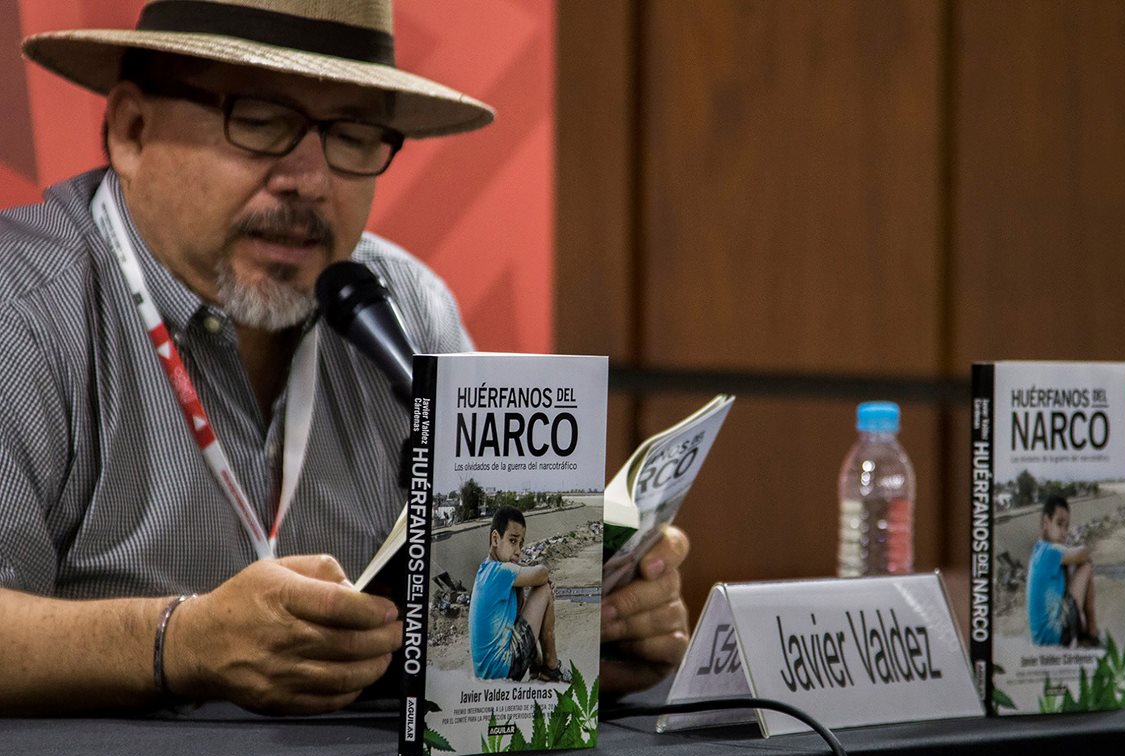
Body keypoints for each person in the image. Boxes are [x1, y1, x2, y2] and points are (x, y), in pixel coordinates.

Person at [0, 0, 689, 716]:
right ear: (132, 130)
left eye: (353, 136)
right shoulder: (22, 310)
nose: (309, 179)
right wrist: (181, 643)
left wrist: (593, 631)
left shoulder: (408, 310)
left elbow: (472, 636)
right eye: (260, 121)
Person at [469, 507, 565, 683]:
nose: (518, 551)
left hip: (493, 672)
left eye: (521, 544)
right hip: (503, 669)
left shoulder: (488, 572)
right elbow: (542, 573)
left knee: (537, 594)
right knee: (544, 589)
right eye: (513, 541)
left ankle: (538, 668)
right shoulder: (497, 571)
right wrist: (540, 581)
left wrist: (523, 585)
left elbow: (520, 625)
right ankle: (551, 668)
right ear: (495, 539)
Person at [1027, 495, 1101, 647]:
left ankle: (1084, 631)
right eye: (1059, 524)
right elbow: (1084, 553)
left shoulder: (1039, 549)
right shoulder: (1050, 551)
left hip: (1042, 637)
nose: (1064, 532)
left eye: (1066, 527)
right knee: (1086, 565)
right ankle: (1092, 632)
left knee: (1070, 565)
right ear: (1046, 522)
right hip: (1056, 636)